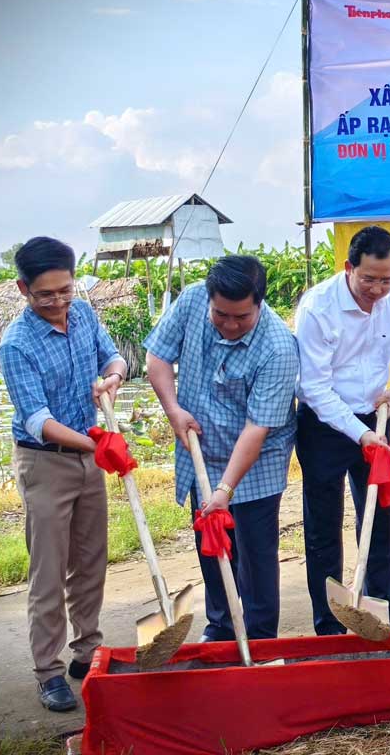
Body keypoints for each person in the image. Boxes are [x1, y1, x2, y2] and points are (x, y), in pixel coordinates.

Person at [0, 236, 128, 712]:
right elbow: (38, 420)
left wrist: (113, 378)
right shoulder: (17, 344)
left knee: (91, 561)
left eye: (64, 291)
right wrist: (99, 444)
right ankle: (48, 671)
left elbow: (114, 358)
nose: (57, 302)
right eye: (45, 295)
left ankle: (86, 650)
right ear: (23, 289)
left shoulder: (85, 314)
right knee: (49, 570)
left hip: (89, 457)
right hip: (46, 461)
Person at [144, 255, 299, 642]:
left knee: (255, 555)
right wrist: (174, 410)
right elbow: (157, 356)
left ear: (259, 303)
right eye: (221, 315)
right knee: (212, 544)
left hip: (256, 461)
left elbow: (256, 429)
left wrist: (225, 490)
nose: (230, 325)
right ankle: (221, 630)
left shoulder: (278, 348)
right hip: (202, 450)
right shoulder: (193, 300)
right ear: (210, 300)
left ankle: (260, 639)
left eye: (241, 317)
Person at [295, 226, 390, 635]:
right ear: (349, 268)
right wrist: (359, 434)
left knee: (379, 520)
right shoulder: (317, 308)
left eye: (387, 279)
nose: (378, 289)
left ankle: (382, 617)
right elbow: (315, 387)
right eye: (369, 279)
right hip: (325, 424)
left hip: (377, 419)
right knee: (323, 528)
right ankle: (329, 626)